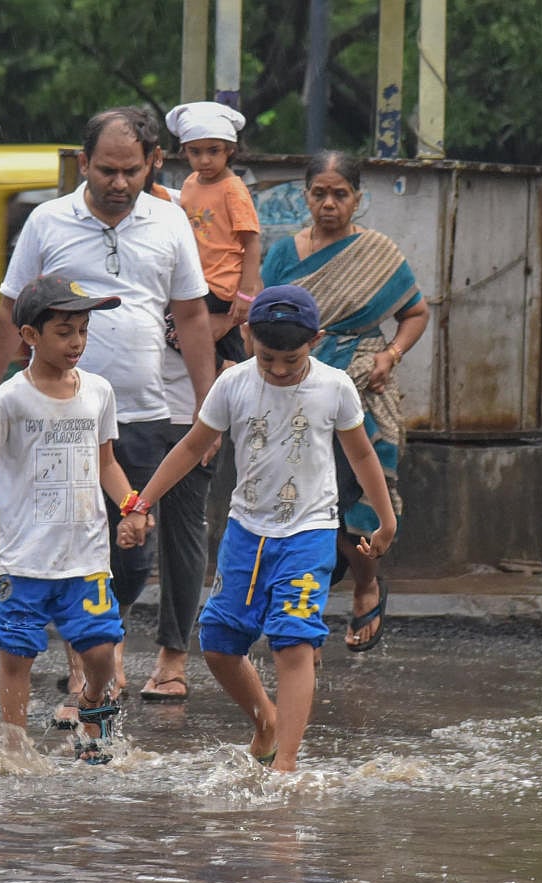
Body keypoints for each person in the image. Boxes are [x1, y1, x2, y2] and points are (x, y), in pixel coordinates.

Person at [0, 106, 216, 703]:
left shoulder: (171, 221)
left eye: (131, 169)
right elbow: (9, 311)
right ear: (84, 164)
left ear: (153, 163)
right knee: (71, 544)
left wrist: (209, 409)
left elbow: (192, 314)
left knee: (131, 555)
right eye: (106, 169)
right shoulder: (48, 223)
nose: (119, 182)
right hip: (57, 420)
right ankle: (85, 661)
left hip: (143, 414)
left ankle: (104, 637)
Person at [116, 285, 397, 772]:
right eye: (269, 359)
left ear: (317, 339)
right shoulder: (233, 385)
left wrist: (385, 518)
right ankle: (265, 719)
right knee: (220, 644)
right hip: (246, 532)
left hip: (309, 532)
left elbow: (361, 453)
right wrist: (141, 502)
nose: (281, 370)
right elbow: (189, 447)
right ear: (247, 336)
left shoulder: (335, 387)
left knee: (293, 638)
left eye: (293, 358)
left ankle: (285, 765)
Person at [0, 274, 149, 762]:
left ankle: (91, 703)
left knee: (100, 650)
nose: (77, 343)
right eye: (64, 331)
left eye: (84, 331)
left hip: (86, 556)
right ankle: (14, 746)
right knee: (16, 655)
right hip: (26, 559)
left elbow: (106, 461)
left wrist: (132, 507)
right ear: (29, 336)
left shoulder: (98, 391)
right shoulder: (11, 398)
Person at [260, 150, 429, 652]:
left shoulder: (378, 252)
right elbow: (266, 323)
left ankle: (365, 585)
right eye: (319, 193)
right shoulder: (283, 255)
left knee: (359, 498)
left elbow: (416, 313)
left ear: (357, 198)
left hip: (362, 381)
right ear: (306, 196)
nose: (329, 203)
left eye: (340, 194)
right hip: (298, 383)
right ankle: (298, 606)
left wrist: (391, 356)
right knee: (303, 497)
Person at [165, 100, 261, 363]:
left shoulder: (233, 189)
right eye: (195, 152)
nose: (204, 160)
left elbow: (252, 243)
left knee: (175, 330)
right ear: (185, 151)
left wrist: (245, 294)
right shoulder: (190, 183)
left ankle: (225, 373)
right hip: (197, 278)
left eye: (213, 150)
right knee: (221, 348)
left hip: (221, 287)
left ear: (230, 149)